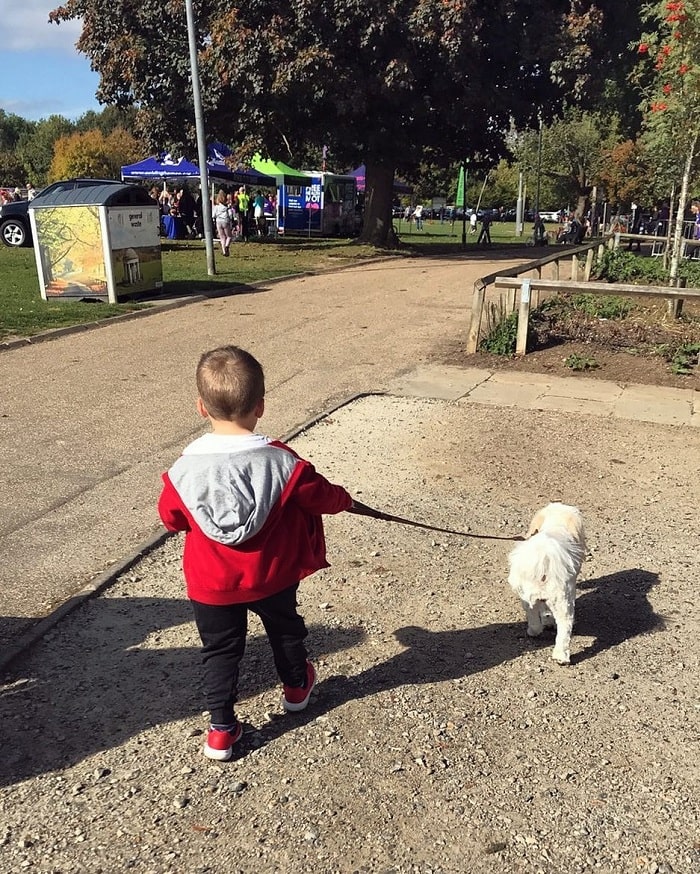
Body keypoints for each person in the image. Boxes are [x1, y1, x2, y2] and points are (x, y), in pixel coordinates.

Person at [158, 346, 355, 761]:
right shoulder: (282, 462)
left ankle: (221, 731)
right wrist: (346, 499)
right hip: (272, 573)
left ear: (200, 407)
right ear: (260, 406)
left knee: (221, 650)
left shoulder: (184, 470)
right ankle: (297, 687)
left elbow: (172, 518)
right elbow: (320, 496)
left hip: (212, 582)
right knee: (285, 628)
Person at [212, 190, 232, 256]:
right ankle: (227, 246)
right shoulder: (227, 207)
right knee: (229, 236)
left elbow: (213, 215)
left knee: (222, 237)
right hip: (225, 221)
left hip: (218, 221)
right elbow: (230, 214)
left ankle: (224, 251)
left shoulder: (216, 207)